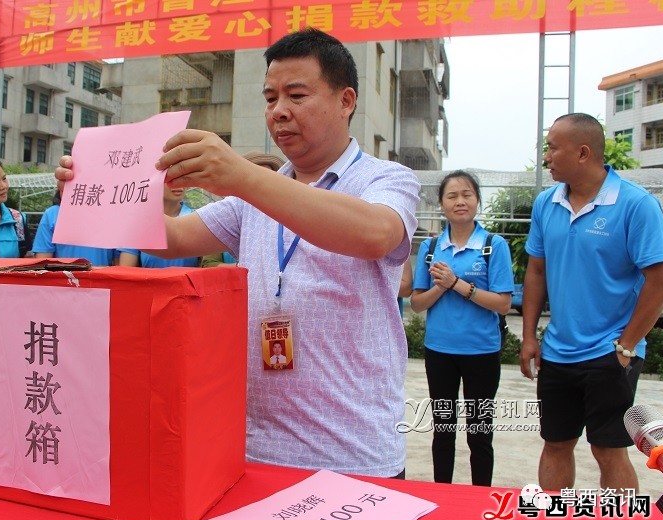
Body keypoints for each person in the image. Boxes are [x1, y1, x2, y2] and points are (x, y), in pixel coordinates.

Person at [56, 28, 420, 477]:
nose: (278, 111)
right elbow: (169, 239)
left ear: (346, 100)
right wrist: (95, 189)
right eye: (270, 98)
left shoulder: (388, 179)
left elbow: (375, 234)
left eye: (296, 95)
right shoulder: (253, 200)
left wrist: (241, 176)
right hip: (254, 448)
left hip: (354, 452)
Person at [520, 112, 663, 491]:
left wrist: (627, 346)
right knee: (555, 443)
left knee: (608, 449)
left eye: (553, 148)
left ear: (583, 153)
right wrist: (530, 336)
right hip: (557, 352)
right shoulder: (545, 204)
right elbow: (536, 272)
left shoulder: (636, 205)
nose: (546, 157)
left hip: (611, 351)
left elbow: (658, 281)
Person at [410, 170, 514, 486]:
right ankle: (444, 494)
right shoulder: (430, 248)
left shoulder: (494, 246)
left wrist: (456, 283)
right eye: (452, 196)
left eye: (467, 194)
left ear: (477, 201)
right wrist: (442, 287)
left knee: (479, 432)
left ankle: (480, 498)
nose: (460, 201)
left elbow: (503, 303)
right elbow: (417, 303)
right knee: (443, 429)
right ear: (441, 204)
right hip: (439, 352)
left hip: (482, 352)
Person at [201, 151, 283, 268]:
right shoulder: (228, 214)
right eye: (256, 180)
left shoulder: (284, 218)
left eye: (268, 179)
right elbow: (208, 263)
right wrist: (241, 267)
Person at [32, 182, 116, 266]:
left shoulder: (111, 215)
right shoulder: (52, 214)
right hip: (65, 278)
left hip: (99, 277)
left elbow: (120, 264)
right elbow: (43, 262)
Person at [117, 185, 201, 267]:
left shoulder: (198, 221)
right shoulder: (138, 223)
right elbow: (126, 268)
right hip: (149, 280)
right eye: (170, 179)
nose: (178, 184)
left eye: (183, 179)